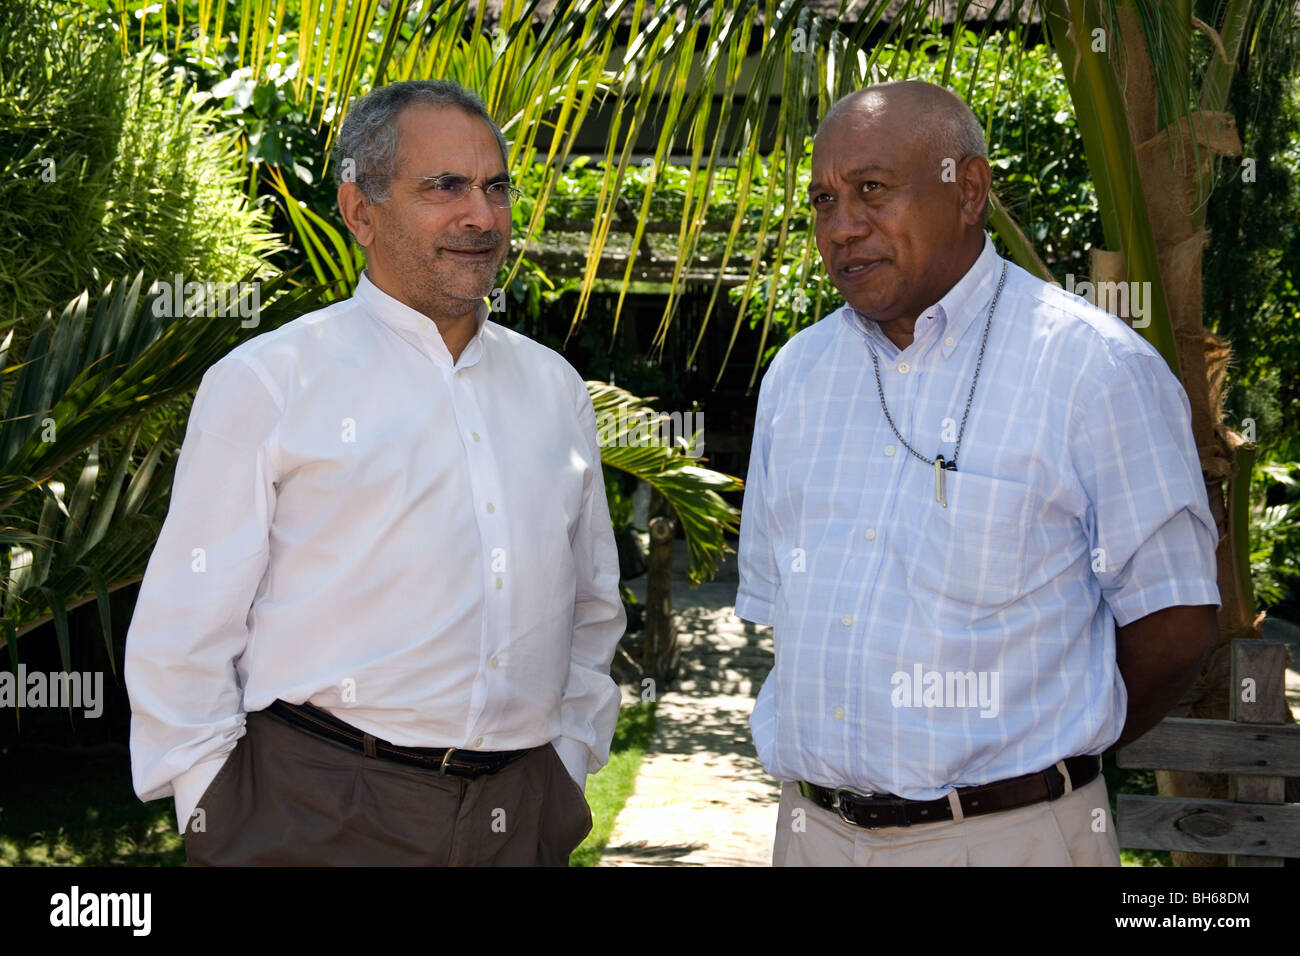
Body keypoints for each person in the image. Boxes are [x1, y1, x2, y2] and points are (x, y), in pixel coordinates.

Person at [125, 79, 626, 866]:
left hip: (520, 814)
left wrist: (566, 765)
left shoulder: (554, 389)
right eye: (445, 187)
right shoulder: (270, 381)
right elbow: (184, 627)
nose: (482, 216)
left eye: (495, 187)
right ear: (361, 210)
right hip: (315, 813)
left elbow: (592, 608)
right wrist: (212, 803)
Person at [736, 80, 1221, 866]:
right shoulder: (797, 376)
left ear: (968, 190)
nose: (843, 227)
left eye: (871, 190)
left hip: (1008, 840)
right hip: (813, 837)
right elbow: (780, 612)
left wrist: (1036, 755)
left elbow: (1176, 625)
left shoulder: (1094, 371)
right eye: (823, 200)